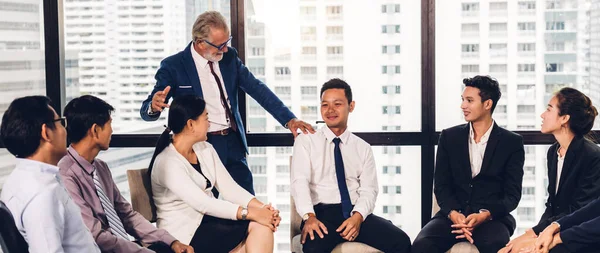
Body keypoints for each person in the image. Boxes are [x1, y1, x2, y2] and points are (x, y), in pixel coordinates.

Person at [140, 11, 314, 195]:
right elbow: (147, 110)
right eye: (220, 45)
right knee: (208, 207)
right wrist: (153, 106)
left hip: (233, 141)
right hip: (200, 145)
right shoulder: (174, 66)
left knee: (247, 201)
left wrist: (289, 120)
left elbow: (257, 89)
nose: (225, 49)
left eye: (227, 42)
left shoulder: (229, 58)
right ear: (200, 43)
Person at [58, 95, 193, 253]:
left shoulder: (100, 168)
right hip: (96, 249)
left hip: (119, 245)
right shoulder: (65, 175)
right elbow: (95, 236)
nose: (112, 130)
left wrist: (171, 241)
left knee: (169, 248)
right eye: (109, 124)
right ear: (95, 130)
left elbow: (126, 215)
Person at [291, 78, 412, 253]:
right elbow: (299, 182)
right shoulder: (306, 141)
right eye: (325, 105)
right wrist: (309, 217)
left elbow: (369, 190)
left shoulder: (362, 148)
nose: (330, 110)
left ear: (351, 106)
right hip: (321, 215)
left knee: (401, 241)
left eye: (337, 104)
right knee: (313, 248)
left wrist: (358, 217)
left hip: (354, 213)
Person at [149, 95, 280, 252]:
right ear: (191, 124)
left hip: (209, 223)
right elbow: (203, 203)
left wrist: (264, 209)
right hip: (183, 237)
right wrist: (251, 213)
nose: (209, 124)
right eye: (206, 118)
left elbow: (230, 188)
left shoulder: (205, 149)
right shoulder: (167, 162)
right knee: (258, 225)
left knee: (263, 226)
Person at [411, 76, 525, 253]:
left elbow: (512, 195)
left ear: (487, 104)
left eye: (469, 101)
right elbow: (441, 186)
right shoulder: (449, 137)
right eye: (463, 100)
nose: (463, 105)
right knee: (422, 245)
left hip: (491, 219)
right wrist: (454, 214)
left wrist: (485, 215)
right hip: (452, 217)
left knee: (494, 245)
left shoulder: (512, 142)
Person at [499, 87, 600, 253]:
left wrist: (536, 237)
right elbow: (552, 205)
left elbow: (580, 209)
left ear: (564, 118)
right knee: (510, 248)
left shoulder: (592, 156)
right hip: (556, 228)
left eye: (549, 109)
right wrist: (533, 234)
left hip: (578, 235)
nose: (542, 115)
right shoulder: (554, 152)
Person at [0, 96, 100, 253]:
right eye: (61, 123)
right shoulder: (42, 193)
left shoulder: (18, 179)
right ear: (46, 132)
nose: (65, 130)